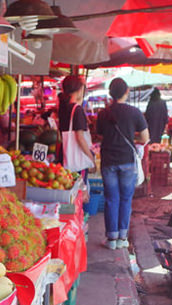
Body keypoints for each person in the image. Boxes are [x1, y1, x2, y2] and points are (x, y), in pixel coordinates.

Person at [94, 77, 149, 250]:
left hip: (108, 161)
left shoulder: (104, 113)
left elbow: (100, 135)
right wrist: (132, 137)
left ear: (111, 93)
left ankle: (111, 239)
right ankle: (122, 238)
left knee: (111, 199)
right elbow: (145, 138)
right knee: (125, 199)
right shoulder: (134, 112)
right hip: (127, 161)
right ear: (127, 92)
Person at [57, 75, 95, 173]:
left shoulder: (63, 109)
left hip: (65, 156)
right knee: (80, 187)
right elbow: (80, 138)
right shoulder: (77, 110)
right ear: (79, 90)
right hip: (77, 160)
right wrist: (91, 159)